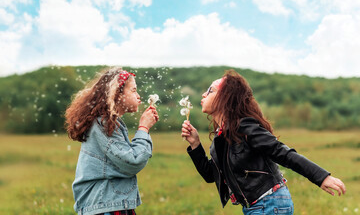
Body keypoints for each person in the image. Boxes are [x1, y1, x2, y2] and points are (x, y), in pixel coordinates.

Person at [181, 70, 346, 215]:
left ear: (225, 97)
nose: (203, 94)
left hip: (268, 203)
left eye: (210, 90)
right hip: (258, 206)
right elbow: (211, 175)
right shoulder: (222, 137)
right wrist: (195, 144)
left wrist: (321, 177)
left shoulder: (244, 127)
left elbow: (283, 153)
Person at [65, 67, 159, 215]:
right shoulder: (103, 125)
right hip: (106, 206)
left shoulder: (108, 123)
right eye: (133, 90)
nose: (139, 96)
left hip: (109, 203)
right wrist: (143, 128)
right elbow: (132, 161)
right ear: (117, 94)